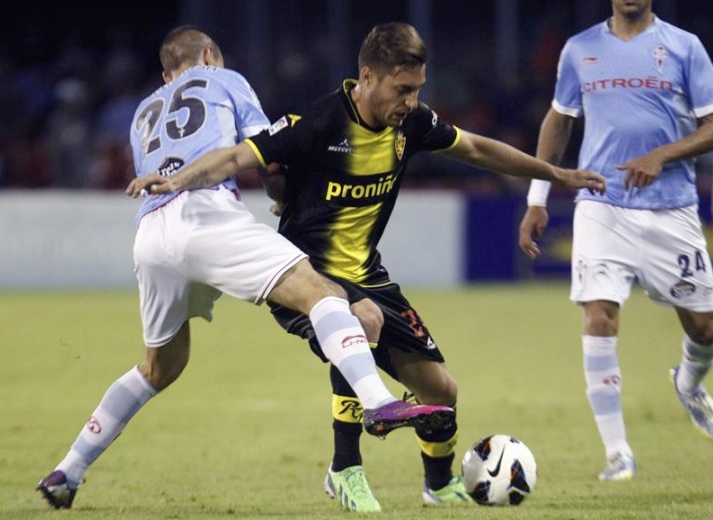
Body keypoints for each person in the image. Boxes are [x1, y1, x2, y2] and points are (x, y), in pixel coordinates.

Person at [126, 22, 606, 512]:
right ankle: (345, 468)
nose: (411, 101)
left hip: (369, 275)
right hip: (305, 275)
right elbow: (234, 157)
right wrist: (177, 181)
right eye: (403, 89)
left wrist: (554, 173)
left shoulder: (412, 123)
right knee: (361, 319)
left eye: (417, 89)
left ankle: (438, 484)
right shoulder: (318, 122)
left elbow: (478, 149)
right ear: (369, 77)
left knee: (442, 392)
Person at [35, 25, 457, 510]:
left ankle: (68, 469)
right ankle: (378, 401)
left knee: (159, 367)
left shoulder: (143, 111)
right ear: (208, 55)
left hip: (151, 235)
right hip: (206, 216)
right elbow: (266, 158)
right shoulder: (224, 78)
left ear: (167, 73)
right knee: (327, 295)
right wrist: (283, 196)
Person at [518, 0, 713, 482]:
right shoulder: (579, 49)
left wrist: (661, 155)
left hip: (671, 207)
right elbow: (559, 119)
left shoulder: (685, 47)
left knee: (706, 328)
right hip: (600, 202)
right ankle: (617, 453)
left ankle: (688, 382)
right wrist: (538, 197)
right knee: (599, 315)